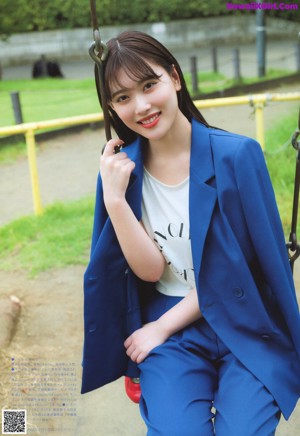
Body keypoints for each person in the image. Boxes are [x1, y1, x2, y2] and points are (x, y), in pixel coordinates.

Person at [81, 30, 300, 435]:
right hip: (173, 330)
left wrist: (161, 328)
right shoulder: (121, 173)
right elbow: (149, 271)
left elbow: (249, 271)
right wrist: (114, 202)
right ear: (111, 107)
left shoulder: (237, 156)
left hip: (243, 319)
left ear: (175, 78)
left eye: (150, 85)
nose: (142, 106)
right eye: (123, 97)